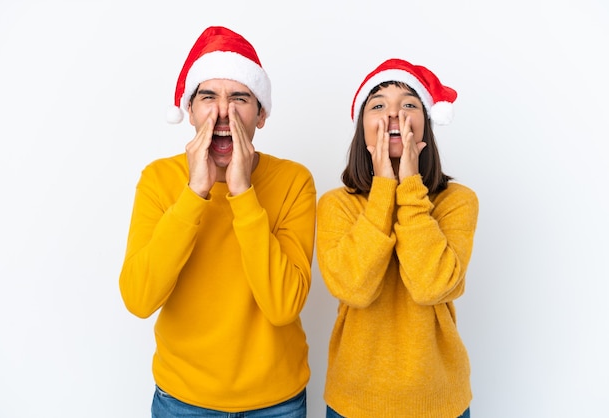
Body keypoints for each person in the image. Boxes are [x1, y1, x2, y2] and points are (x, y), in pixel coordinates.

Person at [119, 26, 316, 417]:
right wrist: (194, 194)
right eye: (208, 96)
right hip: (182, 402)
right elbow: (139, 299)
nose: (223, 111)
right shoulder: (159, 180)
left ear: (260, 115)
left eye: (240, 98)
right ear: (190, 111)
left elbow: (282, 306)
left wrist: (243, 194)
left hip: (277, 403)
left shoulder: (294, 182)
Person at [315, 58, 479, 418]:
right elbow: (354, 289)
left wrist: (409, 187)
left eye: (408, 104)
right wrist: (384, 188)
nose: (394, 114)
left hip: (439, 402)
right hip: (352, 403)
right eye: (378, 105)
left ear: (426, 125)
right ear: (363, 129)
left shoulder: (457, 201)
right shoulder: (336, 205)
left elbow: (430, 286)